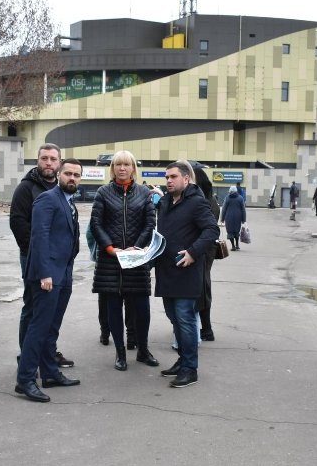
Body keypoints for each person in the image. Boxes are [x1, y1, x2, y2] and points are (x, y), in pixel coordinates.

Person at [15, 159, 83, 403]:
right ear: (58, 174)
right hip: (47, 275)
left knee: (52, 327)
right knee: (39, 327)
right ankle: (25, 380)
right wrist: (45, 273)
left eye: (76, 174)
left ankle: (51, 373)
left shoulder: (68, 201)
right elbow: (39, 236)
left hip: (63, 272)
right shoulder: (47, 198)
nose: (72, 178)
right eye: (68, 173)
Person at [90, 151, 159, 370]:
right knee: (113, 309)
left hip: (136, 259)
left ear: (133, 168)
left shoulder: (144, 193)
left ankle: (143, 350)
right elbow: (96, 224)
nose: (122, 168)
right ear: (112, 168)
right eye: (118, 164)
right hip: (111, 261)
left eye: (126, 164)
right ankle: (120, 354)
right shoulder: (103, 192)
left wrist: (136, 247)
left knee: (142, 309)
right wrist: (110, 248)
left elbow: (150, 223)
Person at [155, 161, 219, 388]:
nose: (169, 181)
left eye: (173, 177)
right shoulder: (164, 202)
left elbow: (212, 230)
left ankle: (190, 369)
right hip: (166, 271)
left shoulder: (197, 202)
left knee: (185, 319)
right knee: (174, 319)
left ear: (186, 179)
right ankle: (182, 360)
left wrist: (193, 252)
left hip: (187, 272)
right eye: (167, 177)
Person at [10, 143, 73, 368]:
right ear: (38, 160)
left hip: (60, 261)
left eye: (53, 159)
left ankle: (48, 352)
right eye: (44, 158)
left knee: (52, 309)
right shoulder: (26, 188)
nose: (48, 163)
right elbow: (18, 223)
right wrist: (38, 252)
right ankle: (27, 354)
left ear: (59, 162)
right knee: (33, 307)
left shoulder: (63, 187)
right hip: (34, 258)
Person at [194, 167, 220, 342]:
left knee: (201, 287)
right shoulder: (211, 200)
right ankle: (203, 327)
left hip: (201, 249)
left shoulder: (202, 202)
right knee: (202, 285)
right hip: (206, 249)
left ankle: (206, 328)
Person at [220, 185, 246, 252]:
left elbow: (224, 209)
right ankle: (237, 245)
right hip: (238, 217)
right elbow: (243, 209)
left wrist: (222, 218)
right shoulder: (240, 198)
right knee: (236, 231)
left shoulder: (227, 198)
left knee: (230, 231)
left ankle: (233, 246)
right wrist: (244, 219)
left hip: (228, 217)